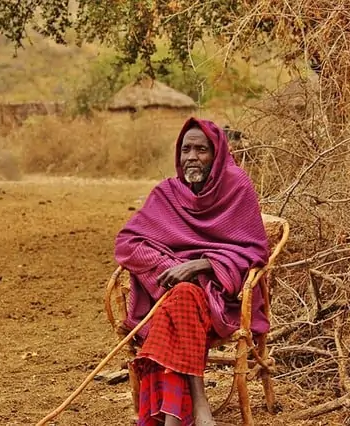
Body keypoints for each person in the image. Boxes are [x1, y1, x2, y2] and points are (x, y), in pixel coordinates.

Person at [114, 117, 269, 426]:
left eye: (201, 150)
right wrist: (171, 267)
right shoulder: (167, 193)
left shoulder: (237, 186)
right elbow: (126, 243)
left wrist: (202, 265)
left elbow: (254, 251)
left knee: (179, 300)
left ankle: (179, 413)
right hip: (175, 298)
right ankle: (193, 410)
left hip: (222, 302)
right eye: (186, 150)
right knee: (181, 296)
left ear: (217, 154)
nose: (191, 158)